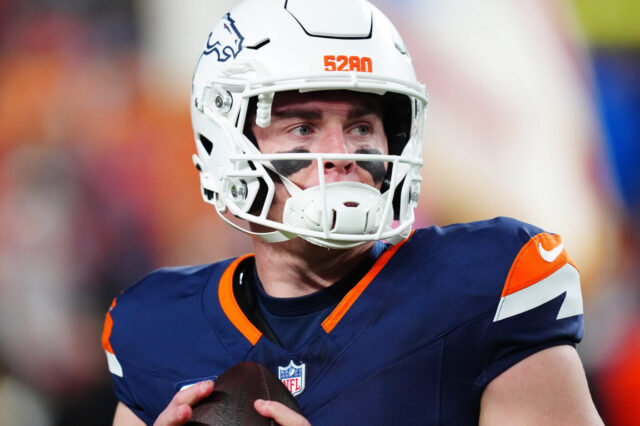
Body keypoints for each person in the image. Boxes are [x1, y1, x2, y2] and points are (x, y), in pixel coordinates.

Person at [103, 0, 603, 424]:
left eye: (362, 127)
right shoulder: (156, 327)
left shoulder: (483, 287)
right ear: (227, 143)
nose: (342, 151)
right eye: (303, 128)